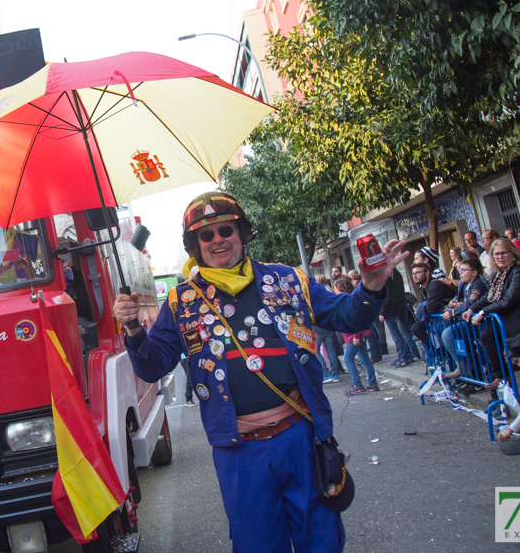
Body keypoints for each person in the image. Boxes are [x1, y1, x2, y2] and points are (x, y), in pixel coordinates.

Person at [113, 191, 402, 552]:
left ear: (243, 233)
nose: (218, 239)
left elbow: (349, 316)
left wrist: (372, 286)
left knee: (322, 540)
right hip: (239, 455)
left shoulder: (290, 281)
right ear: (195, 246)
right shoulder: (180, 302)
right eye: (206, 235)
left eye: (226, 230)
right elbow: (154, 365)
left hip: (301, 440)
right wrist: (134, 330)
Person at [463, 238, 520, 388]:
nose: (500, 257)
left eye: (503, 253)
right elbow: (489, 296)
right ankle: (501, 378)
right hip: (510, 321)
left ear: (512, 253)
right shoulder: (501, 273)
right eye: (496, 254)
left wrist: (482, 312)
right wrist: (472, 309)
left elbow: (509, 300)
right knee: (487, 337)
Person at [440, 258, 488, 393]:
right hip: (469, 323)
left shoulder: (477, 285)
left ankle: (470, 373)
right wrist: (453, 305)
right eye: (459, 270)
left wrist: (453, 312)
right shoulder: (466, 285)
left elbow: (471, 304)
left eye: (463, 270)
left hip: (478, 324)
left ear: (474, 272)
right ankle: (470, 375)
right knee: (466, 349)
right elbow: (464, 303)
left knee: (448, 334)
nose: (460, 273)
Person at [332, 277, 378, 395]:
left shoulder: (348, 301)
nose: (334, 291)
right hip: (358, 334)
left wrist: (355, 336)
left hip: (354, 335)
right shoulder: (351, 299)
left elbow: (354, 319)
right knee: (364, 359)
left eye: (335, 289)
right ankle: (372, 382)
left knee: (348, 359)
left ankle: (357, 384)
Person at [409, 262, 456, 366]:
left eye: (418, 273)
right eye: (413, 274)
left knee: (453, 349)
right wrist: (422, 308)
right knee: (416, 328)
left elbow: (431, 308)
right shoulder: (423, 288)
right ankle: (438, 352)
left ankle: (441, 353)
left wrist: (422, 308)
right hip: (437, 320)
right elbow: (421, 306)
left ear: (427, 273)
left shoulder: (434, 285)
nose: (415, 276)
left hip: (448, 318)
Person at [380, 268, 421, 368]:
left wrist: (382, 312)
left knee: (397, 333)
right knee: (403, 331)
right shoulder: (394, 273)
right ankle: (411, 353)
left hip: (391, 308)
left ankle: (404, 355)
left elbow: (387, 296)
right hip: (399, 304)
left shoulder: (387, 276)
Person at [313, 275, 342, 384]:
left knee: (315, 350)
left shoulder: (314, 296)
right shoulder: (328, 293)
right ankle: (335, 374)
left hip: (318, 326)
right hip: (328, 324)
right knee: (331, 349)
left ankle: (326, 373)